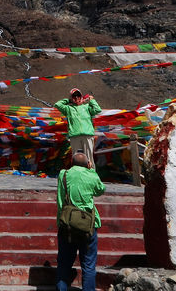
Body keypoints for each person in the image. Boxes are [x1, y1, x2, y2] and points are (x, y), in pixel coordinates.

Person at [56, 151, 105, 291]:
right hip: (88, 226)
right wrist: (92, 171)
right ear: (88, 164)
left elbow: (60, 199)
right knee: (88, 265)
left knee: (64, 264)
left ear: (72, 163)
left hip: (67, 224)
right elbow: (101, 189)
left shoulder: (63, 174)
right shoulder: (91, 175)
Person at [54, 88, 101, 166]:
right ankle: (76, 174)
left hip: (87, 135)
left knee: (89, 158)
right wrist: (68, 100)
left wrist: (92, 100)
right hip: (75, 136)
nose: (76, 98)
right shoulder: (68, 109)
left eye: (78, 95)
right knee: (76, 158)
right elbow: (57, 104)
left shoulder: (87, 107)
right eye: (74, 96)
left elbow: (97, 109)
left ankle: (91, 175)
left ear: (81, 96)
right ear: (71, 97)